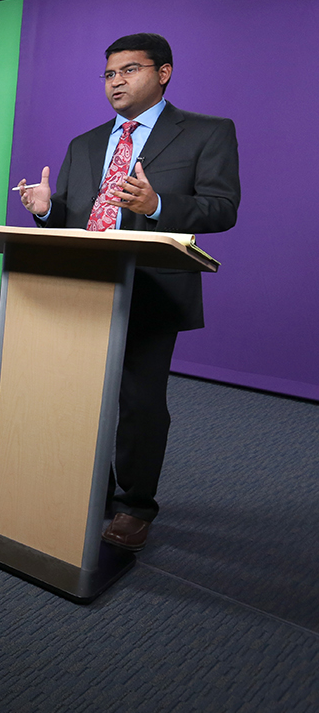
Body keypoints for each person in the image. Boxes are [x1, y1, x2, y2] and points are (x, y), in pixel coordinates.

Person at [16, 33, 240, 551]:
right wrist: (46, 210)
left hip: (151, 288)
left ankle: (136, 506)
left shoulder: (207, 133)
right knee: (79, 395)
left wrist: (158, 204)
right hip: (82, 286)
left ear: (163, 73)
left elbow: (223, 208)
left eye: (130, 70)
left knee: (139, 403)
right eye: (110, 74)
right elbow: (74, 218)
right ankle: (90, 489)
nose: (117, 82)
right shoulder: (86, 143)